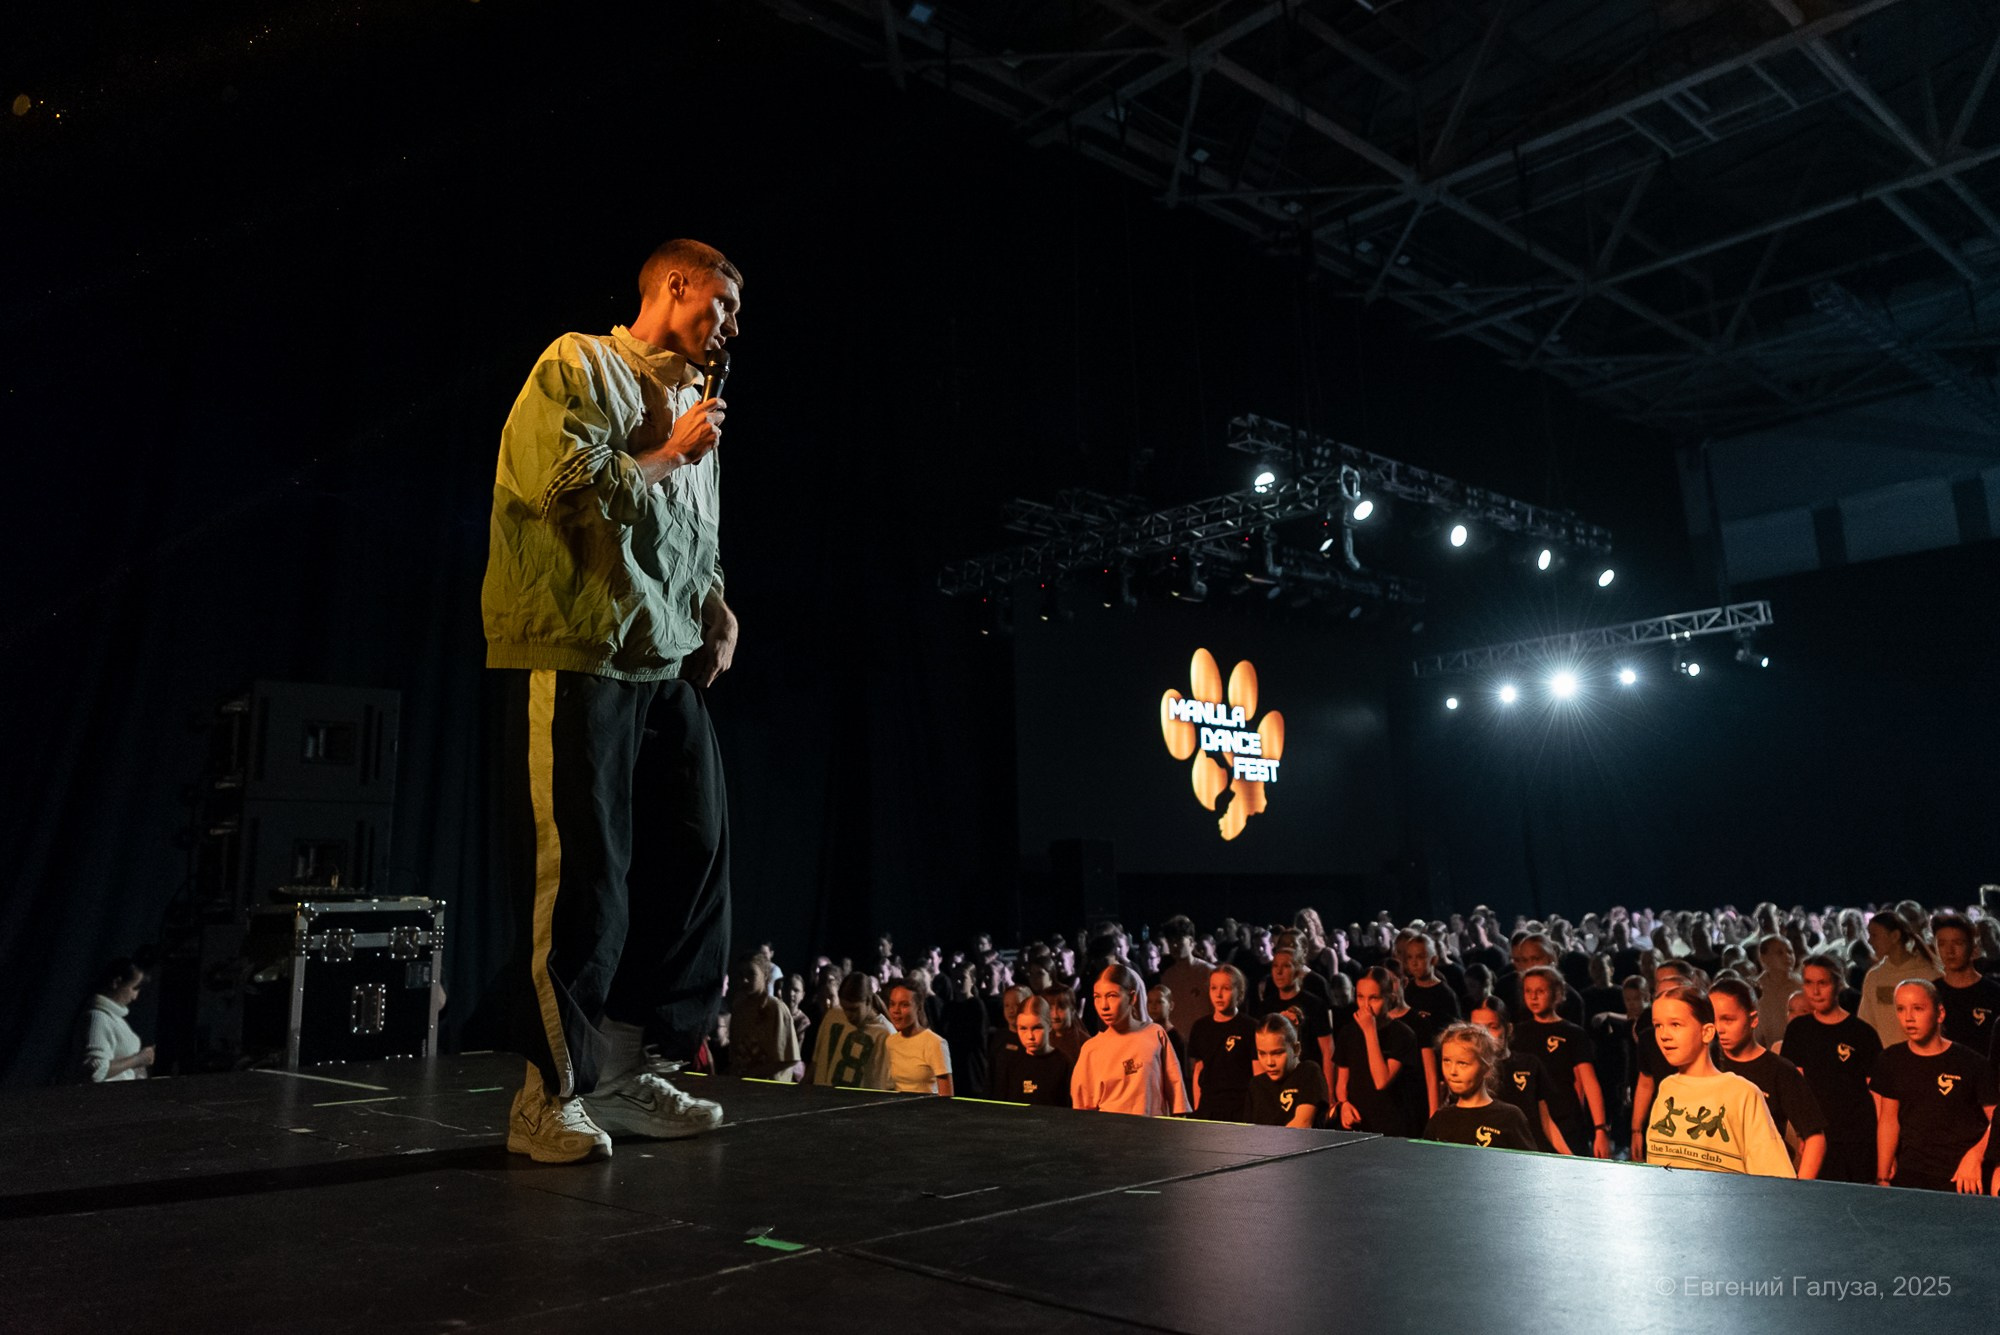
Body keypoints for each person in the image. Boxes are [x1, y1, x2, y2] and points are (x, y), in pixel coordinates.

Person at [484, 238, 743, 1163]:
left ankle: (627, 1068)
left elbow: (693, 531)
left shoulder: (694, 407)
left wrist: (715, 605)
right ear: (673, 286)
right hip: (576, 645)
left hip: (661, 657)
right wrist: (671, 451)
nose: (730, 325)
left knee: (693, 850)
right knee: (583, 871)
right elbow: (563, 488)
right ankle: (546, 1093)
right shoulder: (577, 362)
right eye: (721, 302)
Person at [1644, 986, 1795, 1178]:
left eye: (1675, 1024)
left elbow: (1775, 1175)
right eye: (1658, 1025)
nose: (1664, 1035)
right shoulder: (1667, 1088)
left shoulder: (1741, 1093)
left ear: (1707, 1032)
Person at [1870, 980, 1995, 1192]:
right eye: (1901, 1009)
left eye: (1918, 1008)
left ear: (1940, 1013)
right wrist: (1883, 1178)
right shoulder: (1891, 1059)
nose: (1909, 1017)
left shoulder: (1971, 1063)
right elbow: (1889, 1120)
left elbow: (1997, 1119)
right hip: (1912, 1175)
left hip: (1961, 1176)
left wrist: (1976, 1155)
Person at [1709, 978, 1827, 1179]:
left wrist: (1799, 1191)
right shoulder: (1707, 1063)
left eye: (1728, 1020)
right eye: (1713, 1020)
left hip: (1764, 1182)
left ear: (1753, 1019)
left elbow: (1815, 1136)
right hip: (1715, 1180)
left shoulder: (1779, 1070)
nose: (1720, 1028)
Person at [1515, 966, 1612, 1159]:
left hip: (1566, 1119)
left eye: (1540, 991)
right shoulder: (1517, 1034)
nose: (1533, 997)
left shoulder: (1572, 1033)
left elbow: (1589, 1081)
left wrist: (1600, 1129)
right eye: (1528, 991)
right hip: (1529, 1118)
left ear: (1557, 993)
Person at [1071, 964, 1190, 1116]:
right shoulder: (1091, 1049)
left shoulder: (1154, 1034)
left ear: (1132, 997)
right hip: (1112, 1134)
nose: (1103, 1006)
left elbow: (1176, 1091)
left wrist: (1177, 1127)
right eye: (1097, 997)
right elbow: (1083, 1109)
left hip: (1155, 1133)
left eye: (1112, 996)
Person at [1470, 1000, 1571, 1153]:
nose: (1485, 1035)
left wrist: (1568, 1157)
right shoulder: (1469, 1070)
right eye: (1477, 1029)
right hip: (1488, 1155)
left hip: (1529, 1152)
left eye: (1492, 1027)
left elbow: (1545, 1121)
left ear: (1508, 1029)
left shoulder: (1529, 1064)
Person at [1333, 968, 1420, 1136]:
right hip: (1359, 1123)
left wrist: (1369, 1031)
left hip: (1393, 1125)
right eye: (1360, 997)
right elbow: (1342, 1082)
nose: (1366, 1006)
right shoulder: (1348, 1032)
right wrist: (1343, 1104)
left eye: (1374, 998)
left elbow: (1381, 1081)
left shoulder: (1402, 1034)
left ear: (1389, 999)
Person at [1424, 1023, 1536, 1150]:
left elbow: (1526, 1165)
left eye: (1462, 1063)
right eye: (1447, 1061)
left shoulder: (1509, 1117)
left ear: (1486, 1068)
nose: (1452, 1071)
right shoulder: (1440, 1119)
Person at [1855, 911, 1940, 1050]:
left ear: (1895, 936)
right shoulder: (1875, 976)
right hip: (1888, 1060)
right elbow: (1866, 1024)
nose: (1869, 941)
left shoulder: (1928, 974)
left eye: (1874, 935)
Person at [1188, 964, 1258, 1123]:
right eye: (1214, 988)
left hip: (1239, 1108)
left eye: (1225, 988)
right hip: (1208, 1107)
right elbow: (1199, 1070)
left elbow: (1258, 1074)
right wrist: (1198, 1108)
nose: (1218, 994)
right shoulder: (1200, 1027)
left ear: (1239, 992)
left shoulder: (1250, 1027)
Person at [805, 972, 894, 1090]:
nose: (848, 1015)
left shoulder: (886, 1034)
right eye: (844, 1008)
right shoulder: (833, 1016)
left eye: (854, 1009)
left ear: (868, 1001)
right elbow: (816, 1062)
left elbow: (888, 1086)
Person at [1930, 913, 2000, 1055]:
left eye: (1958, 943)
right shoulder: (1931, 993)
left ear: (1973, 946)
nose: (1949, 951)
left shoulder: (1993, 993)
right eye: (1942, 944)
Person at [726, 954, 802, 1081]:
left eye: (751, 974)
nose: (745, 980)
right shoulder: (739, 1006)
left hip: (768, 1089)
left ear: (765, 975)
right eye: (741, 975)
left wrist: (754, 1073)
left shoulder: (776, 1008)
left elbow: (789, 1058)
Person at [1261, 946, 1334, 1077]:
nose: (1279, 971)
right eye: (1275, 966)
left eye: (1286, 966)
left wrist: (1328, 1091)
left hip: (1309, 1078)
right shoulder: (1266, 1007)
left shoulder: (1315, 1004)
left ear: (1298, 971)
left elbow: (1327, 1050)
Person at [77, 958, 153, 1083]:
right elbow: (96, 1070)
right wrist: (138, 1059)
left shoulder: (116, 1021)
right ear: (116, 982)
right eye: (134, 988)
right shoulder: (98, 1018)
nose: (135, 997)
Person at [990, 996, 1075, 1107]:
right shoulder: (1010, 1061)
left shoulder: (1064, 1063)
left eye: (1037, 1028)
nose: (1030, 1036)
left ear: (1049, 1026)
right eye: (1023, 1028)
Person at [1244, 1015, 1325, 1129]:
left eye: (1277, 1053)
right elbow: (1249, 1133)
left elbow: (1302, 1125)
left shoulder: (1308, 1072)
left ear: (1296, 1049)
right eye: (1262, 1053)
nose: (1269, 1062)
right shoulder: (1256, 1085)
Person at [883, 977, 954, 1096]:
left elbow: (946, 1097)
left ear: (919, 1008)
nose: (896, 1010)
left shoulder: (935, 1043)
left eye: (904, 1005)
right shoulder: (891, 1041)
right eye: (892, 1004)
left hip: (927, 1112)